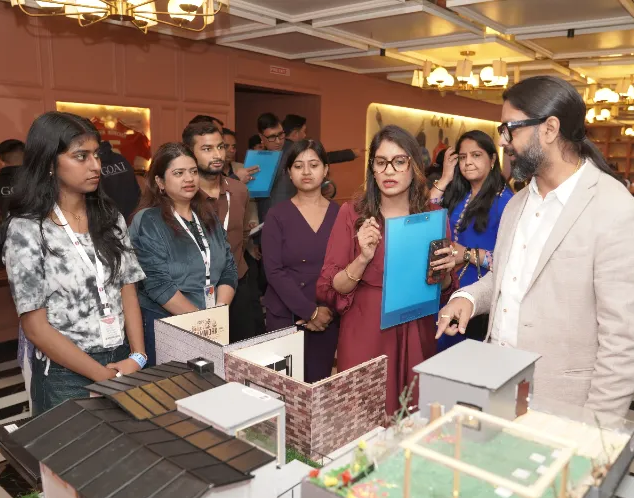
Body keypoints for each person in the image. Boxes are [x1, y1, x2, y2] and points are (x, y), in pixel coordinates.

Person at [436, 76, 634, 417]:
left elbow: (623, 343)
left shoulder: (617, 212)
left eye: (509, 129)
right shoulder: (517, 204)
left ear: (550, 129)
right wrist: (468, 298)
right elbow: (507, 278)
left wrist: (595, 430)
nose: (503, 141)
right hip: (497, 384)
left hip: (562, 403)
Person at [0, 112, 147, 415]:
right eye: (81, 156)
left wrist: (138, 356)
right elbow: (35, 327)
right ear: (49, 163)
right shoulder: (28, 228)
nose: (96, 165)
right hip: (65, 374)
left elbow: (127, 289)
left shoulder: (110, 217)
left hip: (122, 359)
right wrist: (103, 376)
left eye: (96, 155)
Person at [317, 125, 458, 414]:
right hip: (367, 326)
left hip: (415, 326)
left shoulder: (432, 217)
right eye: (381, 162)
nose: (389, 171)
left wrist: (443, 273)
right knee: (363, 412)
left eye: (399, 161)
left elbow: (444, 289)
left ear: (413, 167)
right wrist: (362, 258)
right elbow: (331, 287)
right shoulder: (352, 214)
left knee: (413, 414)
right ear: (372, 168)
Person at [129, 143, 238, 364]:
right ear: (160, 181)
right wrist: (202, 323)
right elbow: (158, 285)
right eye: (179, 173)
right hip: (168, 326)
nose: (189, 179)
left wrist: (217, 314)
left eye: (193, 171)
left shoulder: (207, 215)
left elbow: (228, 267)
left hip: (212, 325)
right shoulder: (149, 220)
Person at [263, 139, 340, 383]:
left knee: (318, 385)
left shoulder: (340, 214)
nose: (306, 172)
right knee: (283, 388)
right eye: (298, 166)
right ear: (289, 172)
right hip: (284, 316)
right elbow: (273, 271)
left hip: (327, 317)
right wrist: (310, 312)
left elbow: (345, 268)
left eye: (313, 165)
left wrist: (324, 312)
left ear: (326, 169)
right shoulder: (277, 215)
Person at [431, 130, 514, 351]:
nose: (468, 162)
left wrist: (467, 254)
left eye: (476, 155)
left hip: (480, 299)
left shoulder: (506, 203)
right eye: (462, 157)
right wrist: (446, 178)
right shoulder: (461, 195)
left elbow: (511, 263)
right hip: (448, 288)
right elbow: (427, 215)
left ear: (493, 159)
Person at [182, 122, 263, 343]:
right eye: (207, 149)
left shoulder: (239, 190)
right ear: (189, 152)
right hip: (194, 292)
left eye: (220, 147)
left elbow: (242, 236)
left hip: (238, 286)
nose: (218, 155)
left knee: (241, 353)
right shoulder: (182, 194)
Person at [282, 114, 358, 164]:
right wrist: (350, 153)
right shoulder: (293, 151)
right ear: (295, 134)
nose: (305, 135)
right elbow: (322, 158)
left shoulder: (282, 148)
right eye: (304, 131)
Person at [98, 140, 140, 221]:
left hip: (108, 218)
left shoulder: (94, 165)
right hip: (130, 214)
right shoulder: (121, 159)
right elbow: (136, 188)